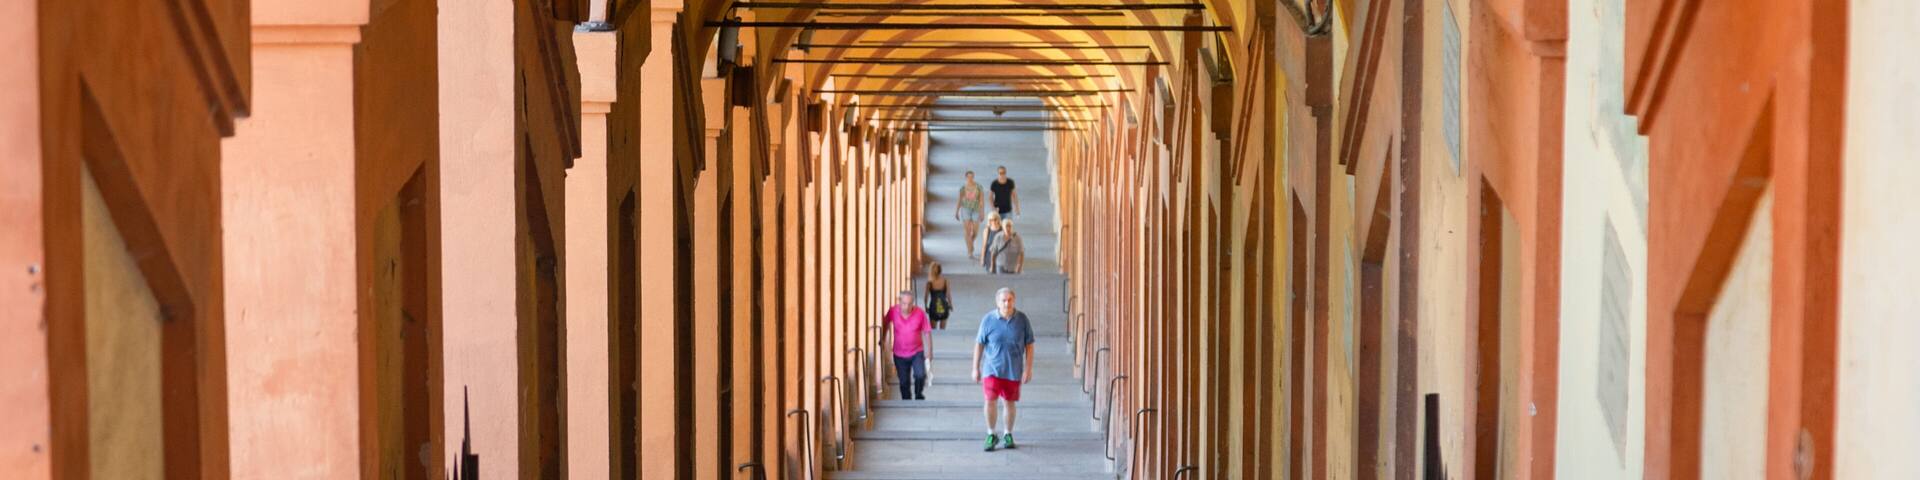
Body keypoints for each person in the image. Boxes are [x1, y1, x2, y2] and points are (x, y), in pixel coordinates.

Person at [972, 287, 1035, 452]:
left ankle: (1008, 433)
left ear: (1014, 301)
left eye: (1009, 300)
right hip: (992, 368)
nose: (1006, 303)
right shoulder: (988, 320)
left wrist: (1028, 369)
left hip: (1013, 369)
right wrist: (975, 368)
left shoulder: (1022, 320)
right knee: (990, 400)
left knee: (1009, 402)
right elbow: (979, 344)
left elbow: (1029, 345)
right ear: (997, 302)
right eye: (1003, 300)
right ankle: (991, 433)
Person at [882, 290, 933, 400]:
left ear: (913, 303)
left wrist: (929, 351)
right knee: (904, 381)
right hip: (899, 354)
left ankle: (919, 394)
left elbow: (927, 332)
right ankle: (907, 400)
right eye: (904, 303)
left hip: (917, 352)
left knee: (920, 375)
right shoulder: (893, 311)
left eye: (910, 304)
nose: (907, 307)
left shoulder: (920, 313)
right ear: (899, 302)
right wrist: (883, 338)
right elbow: (885, 323)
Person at [955, 171, 986, 259]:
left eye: (972, 177)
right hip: (965, 209)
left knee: (975, 231)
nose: (970, 178)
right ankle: (970, 251)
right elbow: (959, 200)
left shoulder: (979, 187)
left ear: (974, 177)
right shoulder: (962, 188)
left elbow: (981, 201)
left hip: (976, 209)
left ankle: (970, 244)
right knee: (967, 231)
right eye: (968, 177)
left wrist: (982, 212)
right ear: (966, 177)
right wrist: (956, 211)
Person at [925, 262, 953, 330]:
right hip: (944, 306)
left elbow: (926, 296)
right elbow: (948, 294)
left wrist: (926, 306)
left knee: (933, 330)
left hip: (933, 307)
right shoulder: (945, 281)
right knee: (942, 330)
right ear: (940, 270)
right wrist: (950, 304)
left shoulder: (929, 283)